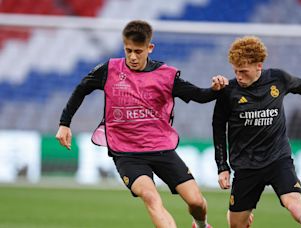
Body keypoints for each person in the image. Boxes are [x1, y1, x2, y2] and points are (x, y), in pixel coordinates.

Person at [56, 20, 228, 228]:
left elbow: (200, 96)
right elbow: (82, 88)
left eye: (138, 51)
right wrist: (65, 123)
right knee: (151, 198)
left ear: (150, 48)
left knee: (196, 202)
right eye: (128, 50)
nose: (133, 57)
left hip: (161, 149)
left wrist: (216, 89)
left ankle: (201, 225)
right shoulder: (109, 69)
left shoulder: (166, 75)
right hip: (126, 153)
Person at [212, 36, 301, 228]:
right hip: (246, 166)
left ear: (259, 66)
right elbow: (218, 127)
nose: (239, 76)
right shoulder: (228, 91)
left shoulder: (277, 79)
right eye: (236, 71)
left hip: (278, 160)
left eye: (243, 71)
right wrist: (222, 166)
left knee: (298, 210)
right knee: (236, 225)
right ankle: (239, 215)